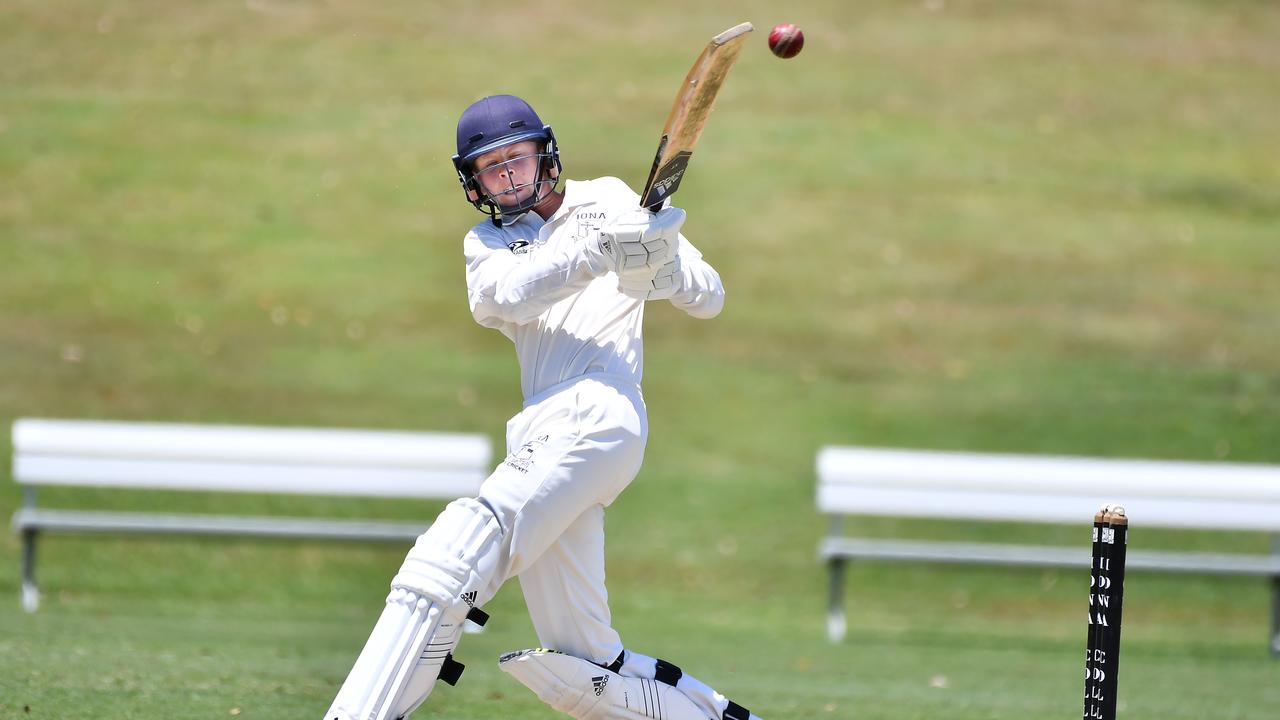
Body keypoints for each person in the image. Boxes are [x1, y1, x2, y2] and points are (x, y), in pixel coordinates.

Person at [323, 94, 761, 720]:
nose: (507, 176)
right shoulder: (487, 243)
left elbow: (709, 296)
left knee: (455, 551)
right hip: (542, 428)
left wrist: (660, 268)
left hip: (601, 409)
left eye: (516, 160)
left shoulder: (611, 198)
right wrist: (592, 255)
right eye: (490, 169)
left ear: (544, 156)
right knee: (583, 664)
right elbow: (506, 297)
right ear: (473, 182)